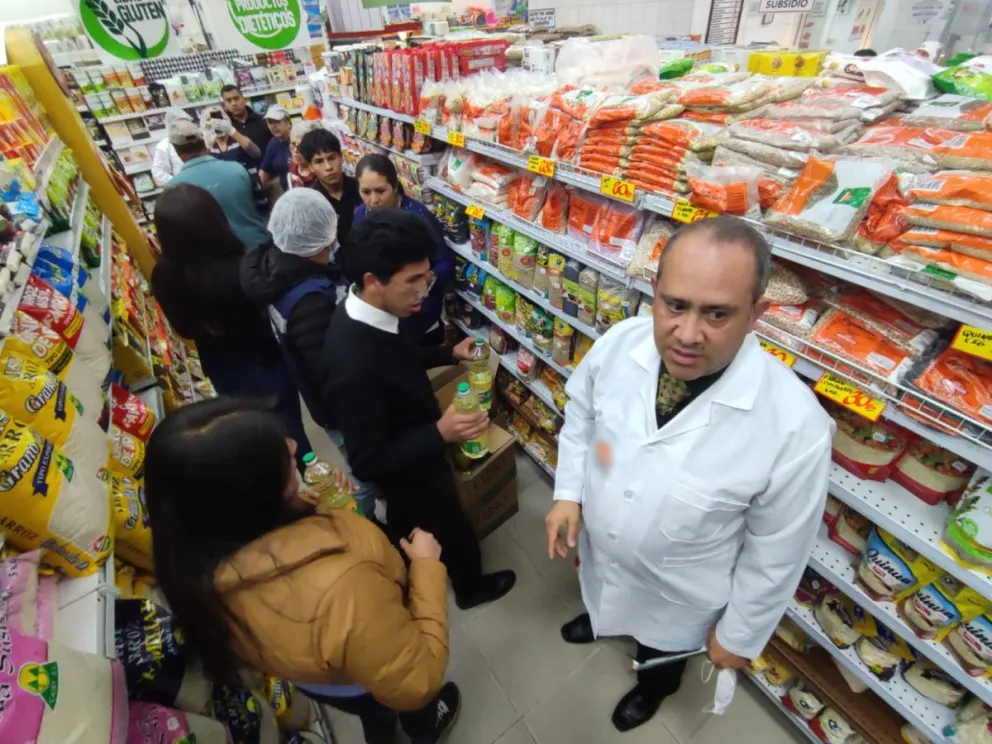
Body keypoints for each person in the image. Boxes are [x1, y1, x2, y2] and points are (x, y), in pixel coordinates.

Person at [544, 217, 833, 732]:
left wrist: (740, 635)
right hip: (602, 552)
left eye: (717, 313)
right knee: (602, 593)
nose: (687, 333)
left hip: (677, 597)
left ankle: (653, 686)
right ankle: (601, 616)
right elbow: (582, 415)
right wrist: (568, 493)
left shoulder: (795, 425)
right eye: (675, 305)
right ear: (654, 291)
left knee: (660, 652)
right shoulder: (620, 343)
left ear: (756, 315)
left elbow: (778, 552)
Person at [144, 398, 461, 744]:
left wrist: (318, 506)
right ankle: (424, 728)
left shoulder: (195, 566)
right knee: (397, 703)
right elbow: (416, 681)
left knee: (374, 714)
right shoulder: (344, 588)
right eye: (278, 452)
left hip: (326, 680)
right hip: (370, 670)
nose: (294, 444)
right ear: (251, 494)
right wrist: (427, 566)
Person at [324, 209, 516, 609]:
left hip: (417, 441)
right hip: (410, 469)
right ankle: (468, 589)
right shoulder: (352, 363)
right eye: (413, 280)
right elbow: (367, 461)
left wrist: (447, 352)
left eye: (426, 276)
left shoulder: (373, 314)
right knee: (446, 523)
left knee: (416, 523)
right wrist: (439, 434)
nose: (424, 290)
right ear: (374, 281)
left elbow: (398, 358)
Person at [151, 183, 312, 469]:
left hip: (223, 366)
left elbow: (184, 330)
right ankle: (309, 474)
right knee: (291, 430)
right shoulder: (243, 267)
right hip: (267, 359)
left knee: (252, 436)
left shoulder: (165, 276)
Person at [241, 188, 378, 519]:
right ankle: (367, 524)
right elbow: (330, 367)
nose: (334, 243)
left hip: (316, 396)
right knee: (363, 472)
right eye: (329, 237)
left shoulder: (273, 267)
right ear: (316, 243)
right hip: (340, 406)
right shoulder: (310, 301)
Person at [354, 154, 453, 346]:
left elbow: (445, 262)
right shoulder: (361, 215)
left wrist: (423, 278)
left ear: (395, 186)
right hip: (380, 315)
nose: (373, 200)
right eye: (366, 192)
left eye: (380, 191)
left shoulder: (418, 218)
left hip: (418, 315)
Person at [165, 118, 271, 251]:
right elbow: (262, 205)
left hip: (219, 259)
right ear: (202, 141)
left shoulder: (175, 187)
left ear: (175, 149)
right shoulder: (237, 169)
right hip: (257, 247)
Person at [299, 128, 361, 246]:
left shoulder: (362, 189)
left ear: (341, 157)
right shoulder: (311, 203)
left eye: (332, 158)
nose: (328, 167)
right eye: (319, 161)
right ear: (310, 166)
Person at [222, 84, 271, 158]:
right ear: (224, 104)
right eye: (229, 100)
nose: (234, 103)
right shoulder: (225, 128)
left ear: (243, 99)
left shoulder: (263, 120)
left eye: (236, 98)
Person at [151, 108, 191, 187]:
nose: (183, 126)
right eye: (179, 123)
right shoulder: (164, 145)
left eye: (186, 122)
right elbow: (159, 173)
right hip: (183, 189)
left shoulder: (197, 138)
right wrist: (179, 183)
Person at [260, 105, 293, 195]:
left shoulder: (298, 139)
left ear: (288, 122)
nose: (274, 126)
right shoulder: (273, 143)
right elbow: (265, 170)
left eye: (277, 122)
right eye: (270, 122)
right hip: (287, 193)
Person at [288, 120, 317, 189]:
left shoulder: (319, 174)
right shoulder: (293, 165)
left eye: (301, 146)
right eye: (293, 144)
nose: (295, 150)